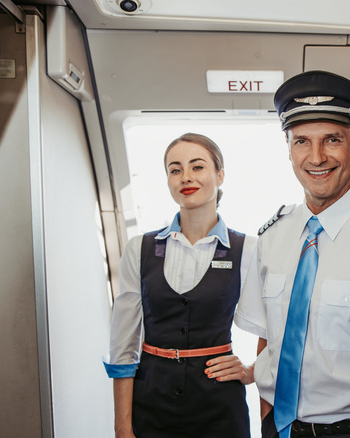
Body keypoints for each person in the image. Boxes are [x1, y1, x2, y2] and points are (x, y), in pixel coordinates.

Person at [234, 70, 350, 438]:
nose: (316, 157)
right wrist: (269, 416)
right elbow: (269, 339)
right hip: (280, 428)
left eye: (332, 140)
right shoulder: (271, 236)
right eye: (302, 141)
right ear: (288, 149)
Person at [103, 133, 256, 437]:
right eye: (175, 170)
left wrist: (253, 371)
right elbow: (124, 345)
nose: (186, 177)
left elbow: (274, 326)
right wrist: (122, 426)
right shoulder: (139, 249)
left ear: (220, 175)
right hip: (152, 404)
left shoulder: (248, 249)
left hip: (220, 407)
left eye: (197, 167)